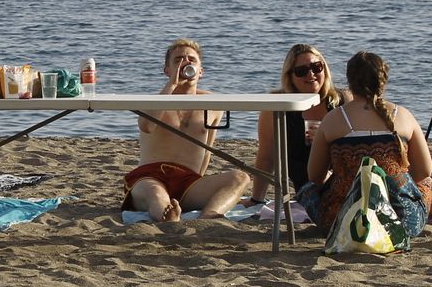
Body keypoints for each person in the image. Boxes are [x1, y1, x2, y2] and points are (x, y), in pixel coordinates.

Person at [301, 51, 432, 239]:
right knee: (422, 184)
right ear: (383, 81)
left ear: (349, 82)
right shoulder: (403, 115)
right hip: (400, 222)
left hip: (343, 222)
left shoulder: (333, 119)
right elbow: (424, 172)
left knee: (308, 190)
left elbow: (315, 176)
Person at [122, 39, 251, 221]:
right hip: (150, 176)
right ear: (167, 70)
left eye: (191, 59)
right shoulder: (155, 101)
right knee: (156, 193)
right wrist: (172, 85)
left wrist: (202, 184)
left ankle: (210, 214)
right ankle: (167, 216)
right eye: (178, 60)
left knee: (240, 178)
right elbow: (147, 126)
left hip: (188, 181)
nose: (185, 63)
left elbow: (207, 150)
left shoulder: (213, 103)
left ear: (201, 71)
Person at [245, 44, 343, 205]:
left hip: (343, 182)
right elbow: (266, 158)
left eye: (316, 67)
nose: (311, 74)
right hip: (309, 191)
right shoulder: (277, 108)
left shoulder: (341, 102)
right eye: (301, 71)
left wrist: (326, 138)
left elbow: (357, 145)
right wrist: (256, 199)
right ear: (290, 76)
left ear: (324, 69)